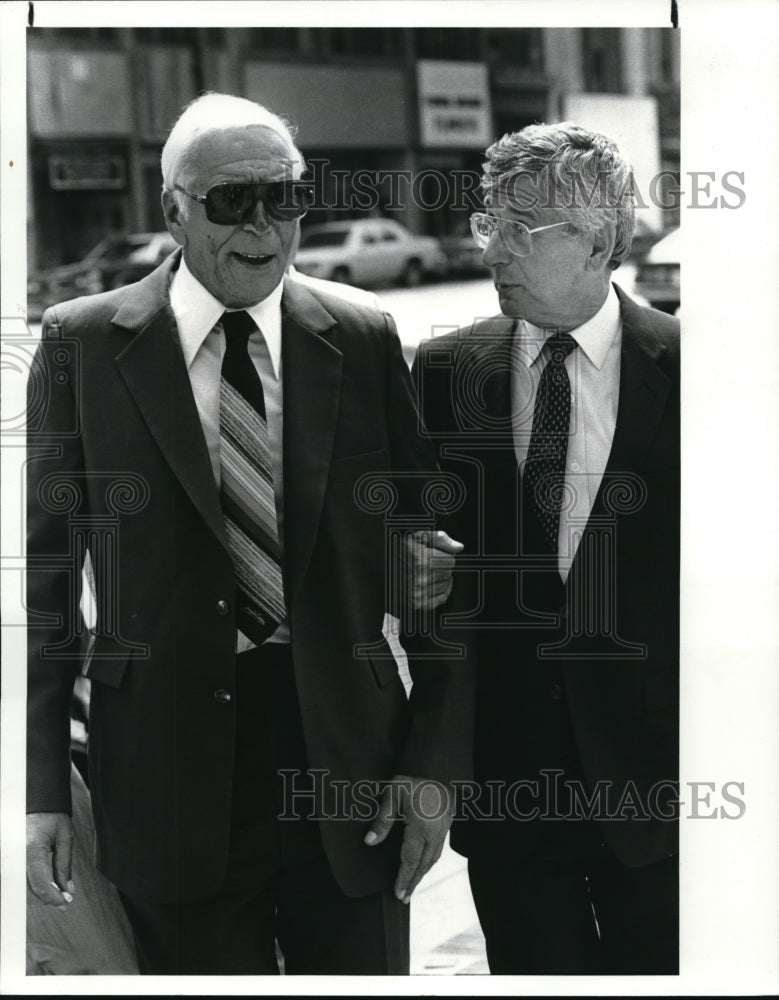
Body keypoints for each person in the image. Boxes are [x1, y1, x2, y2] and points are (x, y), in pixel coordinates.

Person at [25, 92, 473, 976]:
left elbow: (430, 569)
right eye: (232, 201)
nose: (262, 224)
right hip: (164, 779)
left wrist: (432, 765)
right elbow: (44, 588)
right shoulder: (80, 344)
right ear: (174, 212)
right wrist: (42, 792)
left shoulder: (363, 334)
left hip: (348, 774)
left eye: (286, 196)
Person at [412, 121, 679, 974]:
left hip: (667, 796)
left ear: (602, 240)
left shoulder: (705, 371)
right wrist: (406, 566)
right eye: (488, 223)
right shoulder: (446, 372)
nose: (494, 248)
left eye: (521, 229)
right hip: (508, 799)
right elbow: (405, 552)